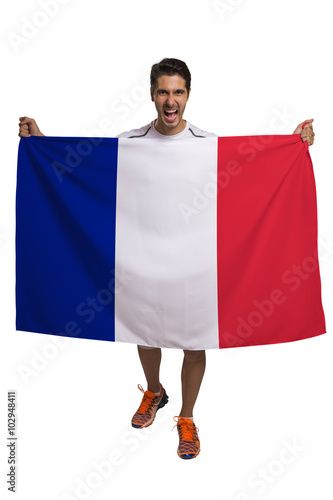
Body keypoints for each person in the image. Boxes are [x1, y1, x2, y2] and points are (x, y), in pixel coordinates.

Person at [18, 58, 315, 460]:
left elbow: (251, 179)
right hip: (141, 262)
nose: (170, 100)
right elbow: (81, 174)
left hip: (195, 267)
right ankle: (154, 392)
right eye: (163, 92)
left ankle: (187, 416)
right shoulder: (131, 144)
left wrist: (293, 144)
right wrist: (43, 143)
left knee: (195, 343)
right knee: (146, 331)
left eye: (177, 92)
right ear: (152, 95)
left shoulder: (208, 146)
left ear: (188, 95)